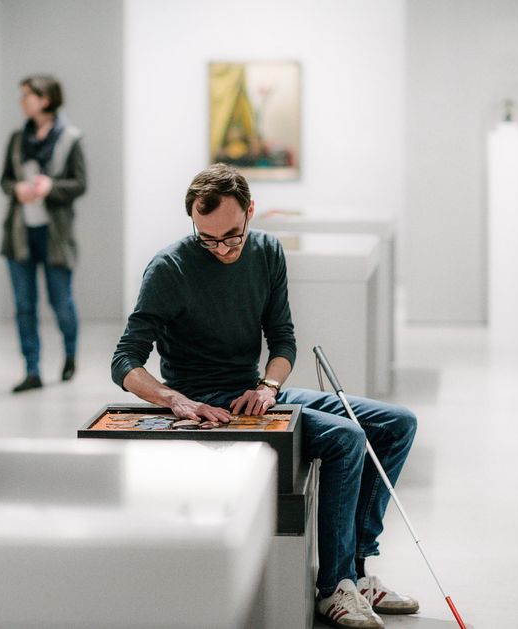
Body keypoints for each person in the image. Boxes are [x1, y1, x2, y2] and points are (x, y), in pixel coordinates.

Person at [111, 163, 418, 629]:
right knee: (346, 439)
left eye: (231, 236)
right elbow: (124, 361)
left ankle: (356, 571)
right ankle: (334, 587)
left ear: (250, 212)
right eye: (206, 238)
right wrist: (174, 399)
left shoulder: (268, 252)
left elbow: (283, 339)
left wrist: (268, 386)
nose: (221, 249)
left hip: (255, 391)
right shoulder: (169, 268)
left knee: (397, 424)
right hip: (208, 406)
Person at [0, 74, 86, 393]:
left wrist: (51, 187)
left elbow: (80, 183)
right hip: (20, 235)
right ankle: (31, 370)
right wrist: (17, 189)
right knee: (24, 305)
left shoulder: (71, 138)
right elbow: (5, 180)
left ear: (45, 99)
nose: (22, 101)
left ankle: (70, 356)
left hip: (55, 238)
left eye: (27, 95)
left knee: (61, 302)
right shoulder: (16, 139)